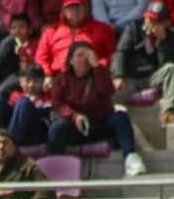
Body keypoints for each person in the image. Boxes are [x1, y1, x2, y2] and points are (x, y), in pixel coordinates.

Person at [48, 41, 146, 177]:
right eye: (79, 55)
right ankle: (58, 169)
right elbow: (57, 104)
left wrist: (97, 67)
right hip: (75, 126)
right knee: (56, 128)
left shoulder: (100, 74)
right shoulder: (61, 79)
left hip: (99, 123)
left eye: (87, 55)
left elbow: (107, 91)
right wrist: (74, 115)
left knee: (120, 117)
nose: (83, 59)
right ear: (70, 60)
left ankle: (131, 157)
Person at [112, 1, 174, 126]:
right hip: (131, 77)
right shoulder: (133, 29)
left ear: (166, 23)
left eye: (155, 21)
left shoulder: (172, 36)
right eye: (149, 19)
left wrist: (162, 43)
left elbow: (165, 64)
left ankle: (170, 111)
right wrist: (118, 75)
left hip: (151, 77)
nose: (150, 23)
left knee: (170, 68)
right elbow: (121, 52)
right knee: (111, 93)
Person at [35, 0, 116, 90]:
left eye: (78, 6)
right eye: (70, 7)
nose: (75, 11)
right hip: (58, 78)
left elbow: (112, 56)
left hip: (90, 78)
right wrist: (48, 75)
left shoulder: (103, 29)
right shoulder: (51, 32)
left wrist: (98, 66)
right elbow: (41, 58)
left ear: (86, 8)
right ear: (63, 11)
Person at [0, 63, 52, 147]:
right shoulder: (14, 95)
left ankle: (11, 145)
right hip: (9, 129)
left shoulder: (48, 98)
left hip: (33, 133)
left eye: (36, 81)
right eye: (28, 80)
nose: (31, 85)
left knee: (24, 103)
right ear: (20, 81)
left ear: (42, 82)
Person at [0, 13, 37, 95]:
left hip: (30, 76)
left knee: (2, 90)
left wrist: (25, 54)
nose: (17, 30)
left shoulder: (35, 44)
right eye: (14, 28)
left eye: (21, 27)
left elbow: (38, 64)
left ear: (30, 29)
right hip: (11, 74)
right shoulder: (9, 43)